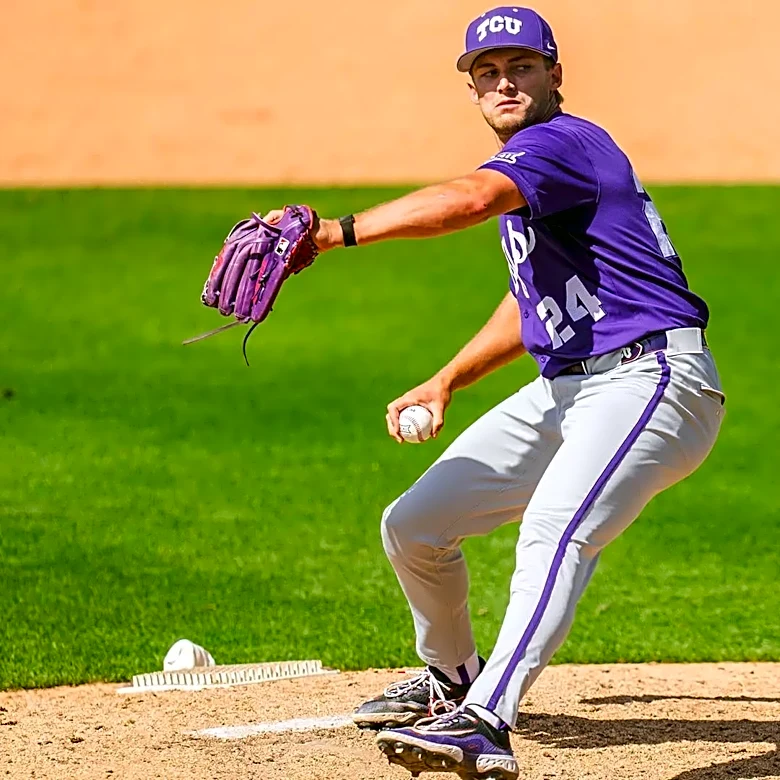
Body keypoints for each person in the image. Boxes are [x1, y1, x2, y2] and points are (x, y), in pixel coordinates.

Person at [263, 6, 725, 778]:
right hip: (572, 388)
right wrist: (447, 379)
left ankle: (485, 721)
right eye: (488, 73)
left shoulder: (562, 144)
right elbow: (529, 305)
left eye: (521, 67)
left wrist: (335, 232)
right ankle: (453, 677)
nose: (505, 82)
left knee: (554, 529)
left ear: (554, 75)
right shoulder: (534, 182)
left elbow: (469, 199)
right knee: (415, 525)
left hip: (652, 379)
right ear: (473, 89)